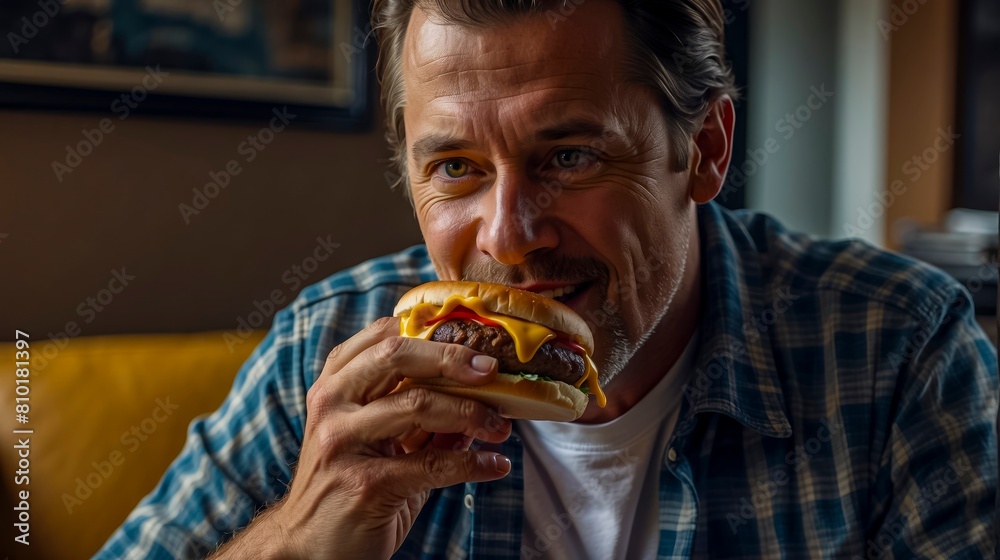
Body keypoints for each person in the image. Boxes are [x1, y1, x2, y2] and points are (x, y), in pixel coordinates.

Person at [96, 1, 998, 558]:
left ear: (706, 149)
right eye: (454, 168)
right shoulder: (322, 357)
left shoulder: (898, 350)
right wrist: (296, 546)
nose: (511, 239)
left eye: (568, 155)